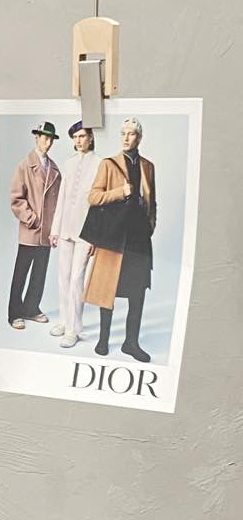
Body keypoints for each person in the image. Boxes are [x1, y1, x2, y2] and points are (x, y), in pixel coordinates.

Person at [81, 118, 157, 362]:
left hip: (138, 239)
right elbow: (93, 197)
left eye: (131, 134)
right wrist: (119, 192)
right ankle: (103, 340)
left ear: (139, 138)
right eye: (123, 133)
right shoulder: (108, 164)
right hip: (113, 236)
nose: (126, 137)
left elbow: (152, 201)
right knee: (108, 288)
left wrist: (150, 226)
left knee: (138, 291)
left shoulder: (148, 166)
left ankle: (131, 343)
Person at [8, 121, 62, 329]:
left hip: (47, 232)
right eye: (45, 138)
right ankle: (14, 313)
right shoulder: (24, 166)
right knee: (21, 273)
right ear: (37, 138)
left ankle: (31, 308)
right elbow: (16, 199)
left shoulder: (54, 169)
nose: (48, 143)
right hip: (30, 230)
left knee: (39, 273)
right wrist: (32, 219)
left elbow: (58, 202)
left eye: (51, 139)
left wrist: (55, 228)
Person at [49, 121, 97, 347]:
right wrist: (55, 230)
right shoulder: (68, 164)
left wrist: (96, 236)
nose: (78, 141)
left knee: (77, 279)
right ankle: (63, 320)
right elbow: (61, 198)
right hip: (66, 228)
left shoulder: (100, 164)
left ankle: (73, 329)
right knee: (63, 277)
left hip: (86, 232)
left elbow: (100, 205)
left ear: (91, 138)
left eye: (82, 136)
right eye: (75, 137)